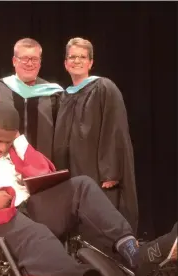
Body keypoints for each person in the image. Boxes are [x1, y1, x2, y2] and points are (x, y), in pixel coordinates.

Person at [0, 101, 177, 276]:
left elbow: (46, 173)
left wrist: (23, 151)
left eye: (8, 141)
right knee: (35, 234)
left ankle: (136, 254)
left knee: (82, 187)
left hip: (27, 205)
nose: (2, 148)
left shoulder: (16, 146)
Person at [52, 37, 138, 234]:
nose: (77, 61)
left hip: (98, 172)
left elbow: (115, 128)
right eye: (72, 57)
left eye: (82, 57)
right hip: (72, 170)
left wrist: (111, 171)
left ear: (91, 62)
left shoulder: (104, 87)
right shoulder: (64, 96)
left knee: (100, 223)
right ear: (65, 63)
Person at [0, 38, 63, 160]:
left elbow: (61, 136)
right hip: (4, 164)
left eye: (34, 59)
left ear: (40, 62)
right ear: (14, 61)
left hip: (42, 164)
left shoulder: (54, 94)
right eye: (24, 59)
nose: (29, 63)